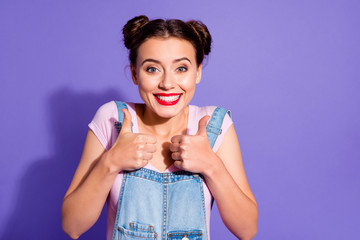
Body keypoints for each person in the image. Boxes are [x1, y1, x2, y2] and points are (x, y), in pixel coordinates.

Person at [61, 15, 258, 240]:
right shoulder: (111, 118)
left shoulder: (215, 124)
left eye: (181, 68)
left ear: (198, 72)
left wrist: (212, 166)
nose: (167, 83)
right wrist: (111, 161)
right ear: (135, 73)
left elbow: (247, 230)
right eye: (152, 69)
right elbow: (72, 225)